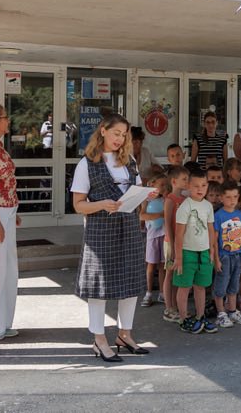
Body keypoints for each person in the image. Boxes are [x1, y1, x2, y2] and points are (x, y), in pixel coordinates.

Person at [71, 113, 153, 361]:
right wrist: (101, 204)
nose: (120, 139)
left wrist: (145, 195)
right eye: (116, 133)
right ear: (103, 131)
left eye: (124, 135)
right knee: (99, 286)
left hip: (129, 227)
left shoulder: (129, 160)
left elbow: (136, 191)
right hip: (100, 231)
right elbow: (78, 205)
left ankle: (125, 335)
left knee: (130, 283)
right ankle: (99, 340)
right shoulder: (86, 164)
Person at [0, 104, 21, 342]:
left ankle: (4, 323)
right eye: (5, 118)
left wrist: (13, 211)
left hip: (8, 211)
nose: (8, 121)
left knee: (10, 270)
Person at [174, 168, 218, 334]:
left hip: (204, 252)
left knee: (201, 286)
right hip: (187, 253)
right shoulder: (185, 206)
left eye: (203, 185)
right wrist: (179, 257)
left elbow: (211, 229)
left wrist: (212, 250)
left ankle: (200, 316)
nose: (200, 189)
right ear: (188, 186)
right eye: (196, 186)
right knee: (184, 287)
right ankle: (183, 318)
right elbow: (179, 234)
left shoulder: (208, 206)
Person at [213, 182, 241, 328]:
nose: (232, 200)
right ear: (221, 198)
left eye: (235, 196)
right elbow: (214, 240)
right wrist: (216, 259)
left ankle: (232, 311)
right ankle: (221, 313)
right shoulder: (218, 216)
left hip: (238, 255)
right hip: (224, 256)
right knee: (221, 285)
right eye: (228, 197)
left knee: (234, 284)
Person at [161, 166, 190, 323]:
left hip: (182, 242)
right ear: (174, 181)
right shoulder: (170, 200)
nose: (187, 182)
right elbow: (167, 224)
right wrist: (172, 246)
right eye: (184, 179)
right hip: (171, 243)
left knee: (178, 274)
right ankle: (168, 308)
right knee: (169, 274)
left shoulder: (185, 200)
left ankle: (177, 306)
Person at [139, 173, 169, 308]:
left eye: (165, 185)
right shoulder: (147, 200)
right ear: (152, 184)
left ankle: (162, 293)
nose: (163, 187)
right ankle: (149, 293)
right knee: (151, 265)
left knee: (162, 265)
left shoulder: (165, 199)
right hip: (152, 236)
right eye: (161, 185)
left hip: (164, 235)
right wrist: (160, 215)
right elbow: (142, 216)